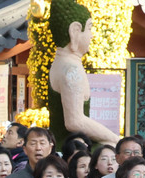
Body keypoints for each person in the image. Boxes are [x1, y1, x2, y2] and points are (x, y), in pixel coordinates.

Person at [47, 0, 120, 148]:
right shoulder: (70, 69)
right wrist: (116, 140)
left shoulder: (62, 63)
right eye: (89, 28)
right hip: (70, 150)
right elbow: (75, 121)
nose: (92, 36)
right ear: (75, 31)